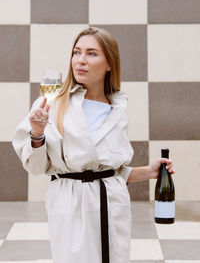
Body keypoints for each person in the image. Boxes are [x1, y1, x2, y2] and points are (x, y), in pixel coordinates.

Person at [12, 27, 175, 263]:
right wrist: (37, 134)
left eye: (91, 54)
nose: (80, 60)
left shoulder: (117, 108)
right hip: (70, 203)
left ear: (109, 63)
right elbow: (36, 168)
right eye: (76, 52)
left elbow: (107, 170)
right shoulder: (51, 103)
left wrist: (147, 172)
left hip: (113, 202)